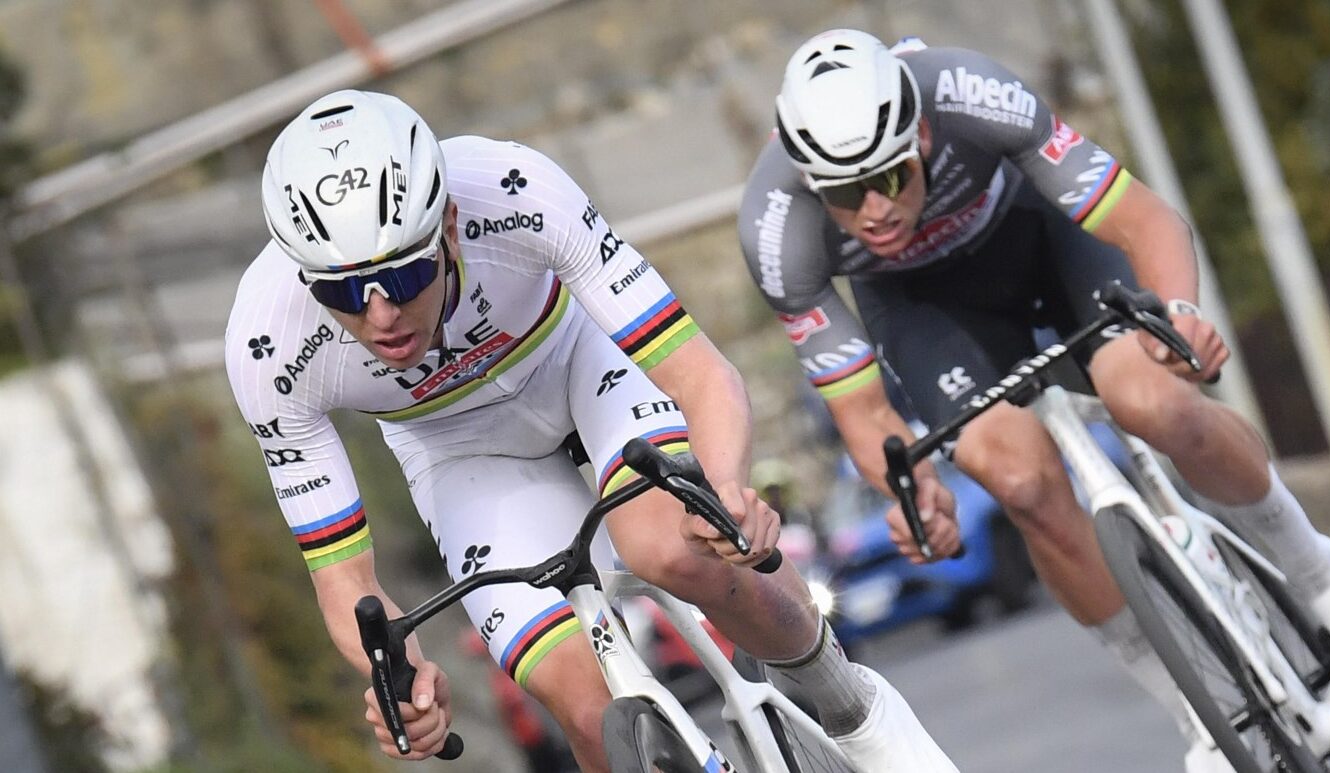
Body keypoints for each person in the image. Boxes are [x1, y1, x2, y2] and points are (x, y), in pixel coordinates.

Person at [736, 29, 1330, 771]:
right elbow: (864, 411)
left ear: (922, 133)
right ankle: (1195, 709)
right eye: (842, 192)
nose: (872, 209)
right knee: (1018, 479)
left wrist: (1179, 316)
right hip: (922, 308)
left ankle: (1315, 565)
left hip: (1038, 233)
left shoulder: (969, 93)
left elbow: (1143, 221)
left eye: (891, 177)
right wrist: (912, 494)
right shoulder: (776, 229)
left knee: (1150, 400)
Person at [227, 89, 959, 771]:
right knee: (581, 706)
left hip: (577, 364)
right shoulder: (268, 344)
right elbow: (344, 579)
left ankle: (847, 702)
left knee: (668, 547)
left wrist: (727, 485)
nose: (380, 315)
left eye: (405, 277)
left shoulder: (512, 189)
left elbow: (699, 373)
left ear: (448, 224)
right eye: (343, 292)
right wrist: (404, 678)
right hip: (456, 449)